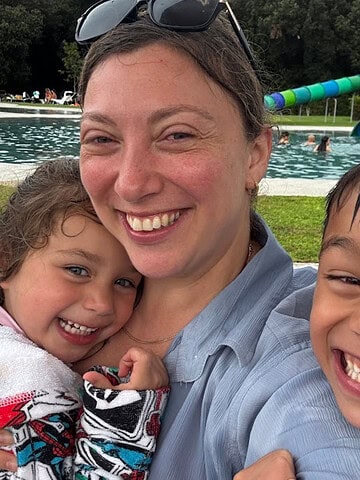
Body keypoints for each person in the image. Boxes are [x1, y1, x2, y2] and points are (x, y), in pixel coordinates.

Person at [1, 1, 360, 478]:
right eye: (102, 138)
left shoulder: (295, 358)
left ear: (256, 154)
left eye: (177, 135)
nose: (130, 184)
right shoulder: (58, 284)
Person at [0, 158, 169, 479]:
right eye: (77, 270)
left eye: (125, 282)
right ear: (7, 260)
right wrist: (131, 411)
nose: (102, 304)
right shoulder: (28, 379)